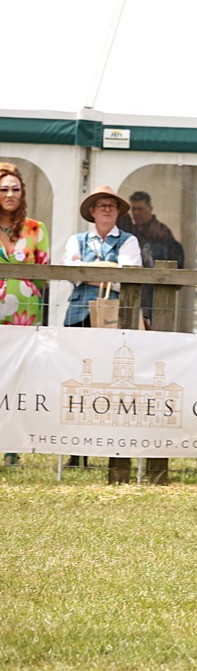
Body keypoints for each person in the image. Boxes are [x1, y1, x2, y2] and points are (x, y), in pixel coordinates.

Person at [0, 163, 50, 465]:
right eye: (3, 189)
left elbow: (44, 273)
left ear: (23, 193)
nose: (9, 194)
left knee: (15, 380)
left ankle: (11, 447)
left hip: (24, 316)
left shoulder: (36, 228)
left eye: (15, 189)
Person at [62, 185, 142, 328]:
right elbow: (70, 273)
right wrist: (111, 269)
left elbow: (127, 279)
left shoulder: (129, 240)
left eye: (112, 206)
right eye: (102, 205)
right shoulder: (76, 239)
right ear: (93, 211)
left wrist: (84, 272)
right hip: (78, 315)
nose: (107, 209)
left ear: (117, 212)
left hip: (115, 315)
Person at [117, 191, 184, 268]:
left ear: (150, 209)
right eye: (133, 209)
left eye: (140, 209)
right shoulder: (131, 230)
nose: (136, 213)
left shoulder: (160, 231)